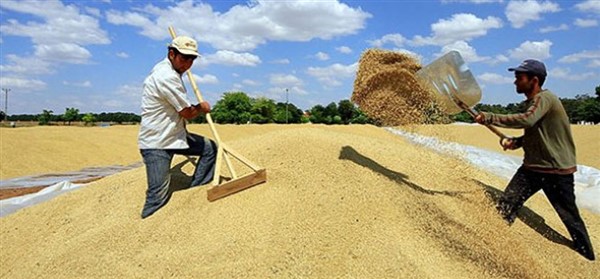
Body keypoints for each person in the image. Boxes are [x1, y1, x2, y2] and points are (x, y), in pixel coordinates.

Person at [474, 59, 595, 261]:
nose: (515, 82)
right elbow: (536, 131)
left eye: (519, 78)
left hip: (556, 170)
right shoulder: (533, 103)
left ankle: (586, 256)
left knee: (569, 215)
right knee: (507, 203)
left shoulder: (544, 98)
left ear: (534, 80)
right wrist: (518, 142)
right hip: (532, 168)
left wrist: (490, 117)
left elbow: (527, 119)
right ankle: (493, 245)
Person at [138, 36, 217, 219]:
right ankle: (145, 229)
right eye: (184, 58)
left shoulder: (168, 69)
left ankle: (195, 194)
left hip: (176, 135)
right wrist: (202, 107)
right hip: (157, 142)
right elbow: (187, 113)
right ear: (171, 54)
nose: (188, 63)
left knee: (211, 149)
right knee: (157, 197)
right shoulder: (166, 76)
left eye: (192, 59)